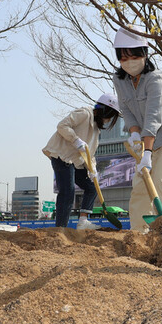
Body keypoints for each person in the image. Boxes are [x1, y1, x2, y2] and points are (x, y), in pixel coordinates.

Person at [112, 26, 162, 232]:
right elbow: (127, 110)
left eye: (134, 55)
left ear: (144, 54)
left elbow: (154, 118)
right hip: (146, 140)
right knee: (140, 189)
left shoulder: (156, 80)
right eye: (124, 57)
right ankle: (139, 235)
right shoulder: (119, 80)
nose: (129, 62)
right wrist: (134, 133)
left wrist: (146, 152)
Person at [43, 94, 120, 229]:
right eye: (110, 116)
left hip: (75, 162)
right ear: (105, 111)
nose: (108, 121)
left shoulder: (96, 130)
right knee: (67, 191)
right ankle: (60, 228)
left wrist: (93, 169)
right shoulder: (84, 113)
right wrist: (75, 139)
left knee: (91, 187)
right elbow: (62, 126)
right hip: (61, 156)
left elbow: (90, 153)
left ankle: (83, 222)